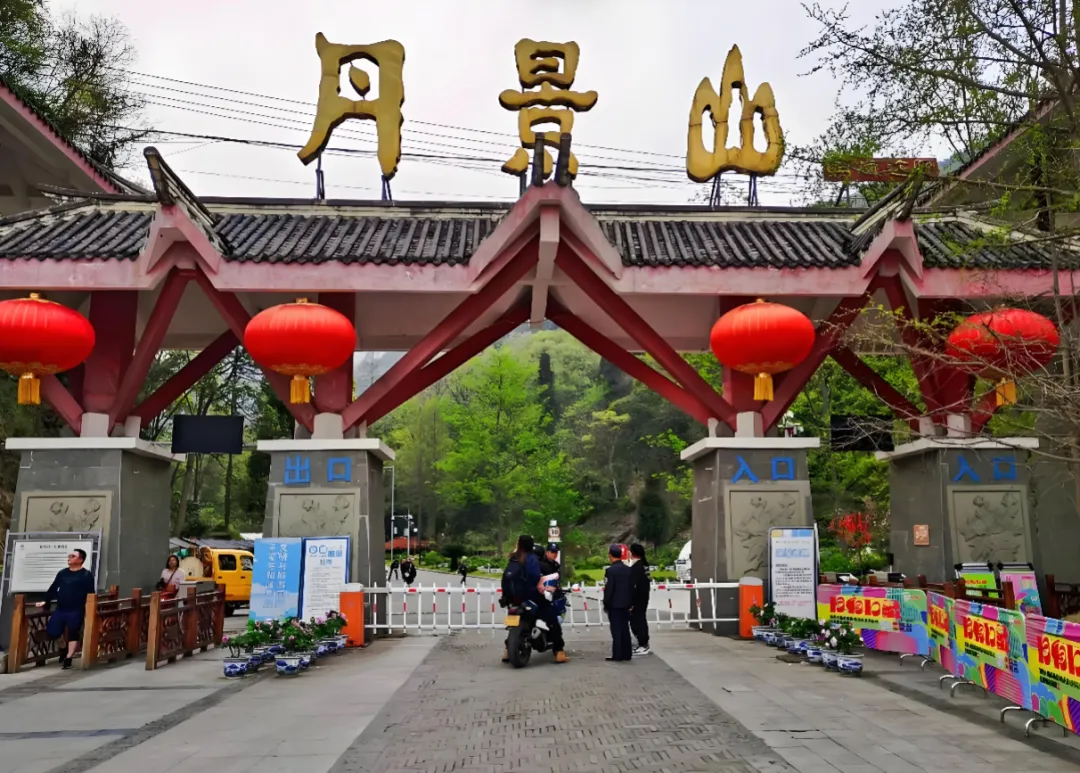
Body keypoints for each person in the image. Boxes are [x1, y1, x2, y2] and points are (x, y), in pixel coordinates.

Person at [501, 534, 567, 664]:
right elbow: (535, 576)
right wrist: (541, 587)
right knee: (553, 621)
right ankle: (559, 652)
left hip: (514, 599)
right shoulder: (531, 559)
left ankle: (507, 651)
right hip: (531, 597)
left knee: (515, 624)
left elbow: (505, 578)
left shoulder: (513, 558)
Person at [35, 548, 95, 669]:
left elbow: (91, 593)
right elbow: (53, 588)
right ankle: (63, 648)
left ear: (80, 560)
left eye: (73, 556)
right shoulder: (62, 573)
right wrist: (45, 600)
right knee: (53, 631)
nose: (69, 558)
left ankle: (68, 658)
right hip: (61, 608)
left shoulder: (86, 575)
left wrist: (89, 607)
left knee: (73, 632)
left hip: (76, 609)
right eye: (69, 556)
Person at [603, 543, 633, 662]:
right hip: (626, 604)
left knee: (616, 630)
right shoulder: (628, 570)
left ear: (610, 556)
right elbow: (631, 588)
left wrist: (606, 602)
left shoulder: (610, 571)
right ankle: (627, 653)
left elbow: (609, 589)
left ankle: (617, 654)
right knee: (625, 628)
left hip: (614, 604)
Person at [628, 543, 651, 655]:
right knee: (640, 619)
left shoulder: (636, 568)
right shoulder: (644, 565)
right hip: (644, 596)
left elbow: (633, 585)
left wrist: (631, 601)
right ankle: (643, 643)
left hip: (638, 598)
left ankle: (643, 644)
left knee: (638, 621)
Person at [538, 543, 567, 619]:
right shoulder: (540, 564)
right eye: (552, 552)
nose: (555, 554)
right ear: (547, 552)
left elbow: (557, 579)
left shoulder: (556, 565)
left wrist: (559, 588)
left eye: (556, 552)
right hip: (542, 593)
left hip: (554, 593)